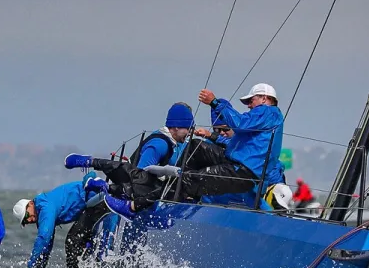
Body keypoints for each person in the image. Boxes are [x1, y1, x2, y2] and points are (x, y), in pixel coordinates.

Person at [102, 83, 286, 219]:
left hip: (243, 171)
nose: (248, 105)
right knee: (196, 147)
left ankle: (135, 206)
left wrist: (214, 102)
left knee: (189, 178)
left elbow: (239, 124)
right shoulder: (261, 120)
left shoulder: (269, 112)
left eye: (251, 100)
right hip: (235, 162)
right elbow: (233, 142)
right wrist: (211, 136)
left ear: (264, 98)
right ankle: (183, 193)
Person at [63, 102, 193, 213]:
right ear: (176, 126)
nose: (189, 133)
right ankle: (94, 172)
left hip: (127, 179)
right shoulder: (160, 145)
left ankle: (93, 169)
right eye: (188, 128)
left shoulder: (173, 142)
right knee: (146, 183)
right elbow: (141, 173)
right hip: (129, 185)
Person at [12, 172, 110, 268]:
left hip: (98, 200)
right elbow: (46, 249)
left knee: (72, 242)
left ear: (30, 203)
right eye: (25, 221)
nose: (30, 220)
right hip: (91, 208)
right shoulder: (42, 212)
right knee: (75, 248)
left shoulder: (45, 207)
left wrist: (30, 266)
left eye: (27, 215)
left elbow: (43, 238)